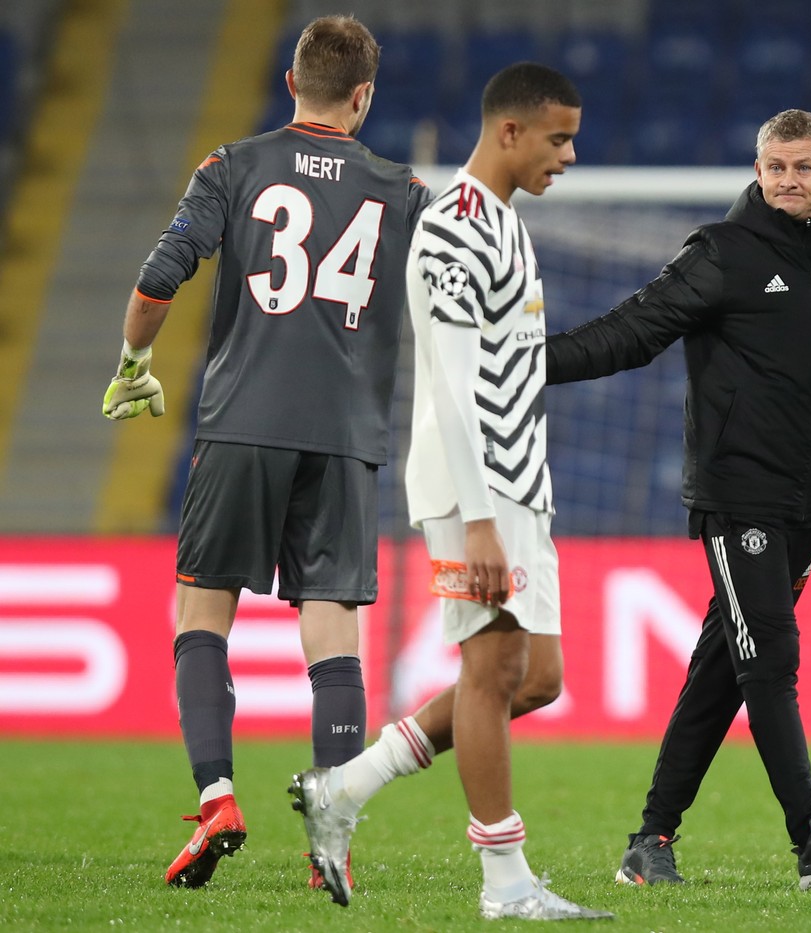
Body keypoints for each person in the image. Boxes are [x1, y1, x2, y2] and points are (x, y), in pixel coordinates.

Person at [542, 109, 811, 890]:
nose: (785, 180)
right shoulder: (722, 253)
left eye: (802, 167)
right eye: (773, 166)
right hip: (738, 493)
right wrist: (532, 361)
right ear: (758, 168)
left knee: (722, 667)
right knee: (769, 653)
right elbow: (632, 331)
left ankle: (650, 841)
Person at [100, 15, 429, 890]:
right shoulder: (404, 190)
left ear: (290, 82)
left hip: (242, 422)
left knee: (202, 615)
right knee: (332, 630)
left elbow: (157, 278)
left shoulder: (233, 166)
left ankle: (217, 795)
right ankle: (335, 834)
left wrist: (134, 364)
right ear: (363, 96)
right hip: (348, 437)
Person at [288, 62, 612, 921]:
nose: (570, 156)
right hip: (472, 492)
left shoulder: (504, 220)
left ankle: (345, 786)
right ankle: (505, 883)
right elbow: (459, 389)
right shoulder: (452, 230)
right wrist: (478, 522)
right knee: (490, 668)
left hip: (517, 487)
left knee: (537, 677)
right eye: (558, 138)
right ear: (509, 132)